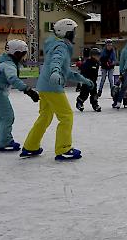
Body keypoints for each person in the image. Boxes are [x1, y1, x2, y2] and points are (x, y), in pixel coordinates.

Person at [20, 19, 95, 161]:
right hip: (53, 86)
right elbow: (57, 61)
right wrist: (55, 71)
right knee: (66, 116)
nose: (74, 34)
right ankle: (63, 149)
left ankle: (30, 146)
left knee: (44, 117)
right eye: (73, 32)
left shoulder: (55, 44)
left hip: (43, 86)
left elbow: (66, 71)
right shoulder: (61, 46)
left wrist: (84, 80)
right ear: (66, 32)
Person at [0, 40, 39, 152]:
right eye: (23, 54)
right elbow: (13, 79)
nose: (24, 57)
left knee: (1, 116)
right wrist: (28, 90)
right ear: (17, 53)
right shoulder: (9, 65)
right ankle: (4, 142)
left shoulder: (6, 62)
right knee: (8, 116)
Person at [76, 48, 101, 112]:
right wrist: (85, 80)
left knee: (94, 94)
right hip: (86, 81)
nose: (99, 57)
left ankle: (95, 104)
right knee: (84, 94)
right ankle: (79, 102)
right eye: (97, 55)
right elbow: (83, 71)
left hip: (93, 82)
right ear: (93, 55)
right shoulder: (88, 62)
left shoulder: (97, 63)